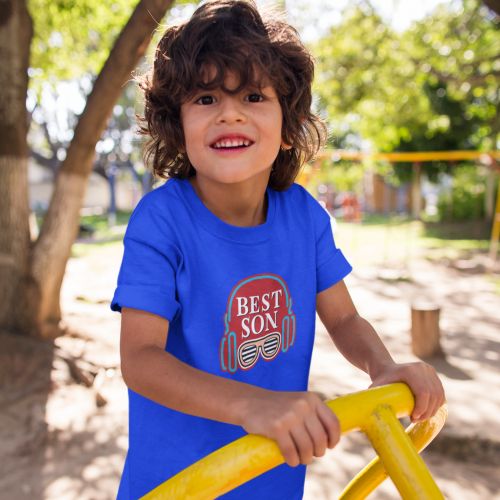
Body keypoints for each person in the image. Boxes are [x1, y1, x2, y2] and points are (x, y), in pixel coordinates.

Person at [110, 1, 445, 498]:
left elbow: (345, 320)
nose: (229, 113)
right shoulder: (162, 221)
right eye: (205, 98)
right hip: (180, 483)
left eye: (251, 95)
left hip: (272, 479)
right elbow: (140, 359)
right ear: (177, 125)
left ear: (287, 127)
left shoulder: (303, 216)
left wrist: (383, 367)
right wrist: (254, 405)